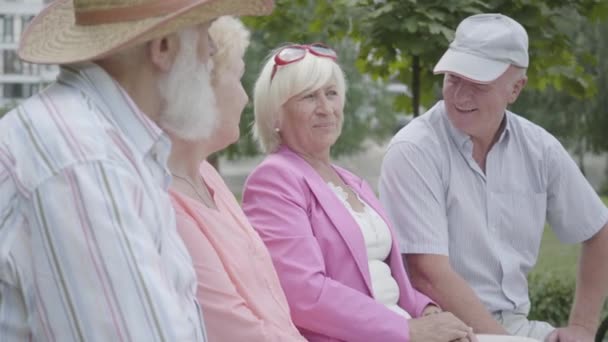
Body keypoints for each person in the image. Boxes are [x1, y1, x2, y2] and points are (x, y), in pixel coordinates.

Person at [0, 0, 273, 340]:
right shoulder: (85, 160)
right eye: (205, 31)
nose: (213, 49)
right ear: (163, 47)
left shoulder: (111, 145)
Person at [379, 13, 608, 342]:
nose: (460, 96)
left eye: (477, 84)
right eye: (454, 78)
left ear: (516, 88)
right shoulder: (413, 150)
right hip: (440, 327)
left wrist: (584, 327)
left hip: (515, 327)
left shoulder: (539, 148)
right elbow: (427, 274)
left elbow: (599, 231)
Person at [241, 43, 483, 342]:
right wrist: (406, 330)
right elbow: (303, 293)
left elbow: (390, 278)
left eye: (331, 93)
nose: (326, 108)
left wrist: (429, 311)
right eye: (308, 96)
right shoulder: (274, 179)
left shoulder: (352, 181)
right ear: (275, 115)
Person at [167, 16, 305, 342]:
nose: (245, 98)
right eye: (239, 78)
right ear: (204, 86)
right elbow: (235, 328)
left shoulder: (206, 174)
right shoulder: (166, 202)